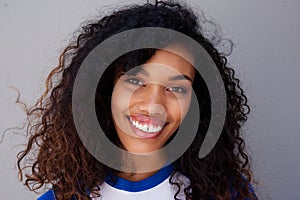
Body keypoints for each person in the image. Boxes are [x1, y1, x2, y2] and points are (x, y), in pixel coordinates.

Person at [17, 1, 258, 199]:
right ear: (104, 89)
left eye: (176, 88)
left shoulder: (225, 193)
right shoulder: (64, 198)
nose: (154, 105)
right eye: (135, 81)